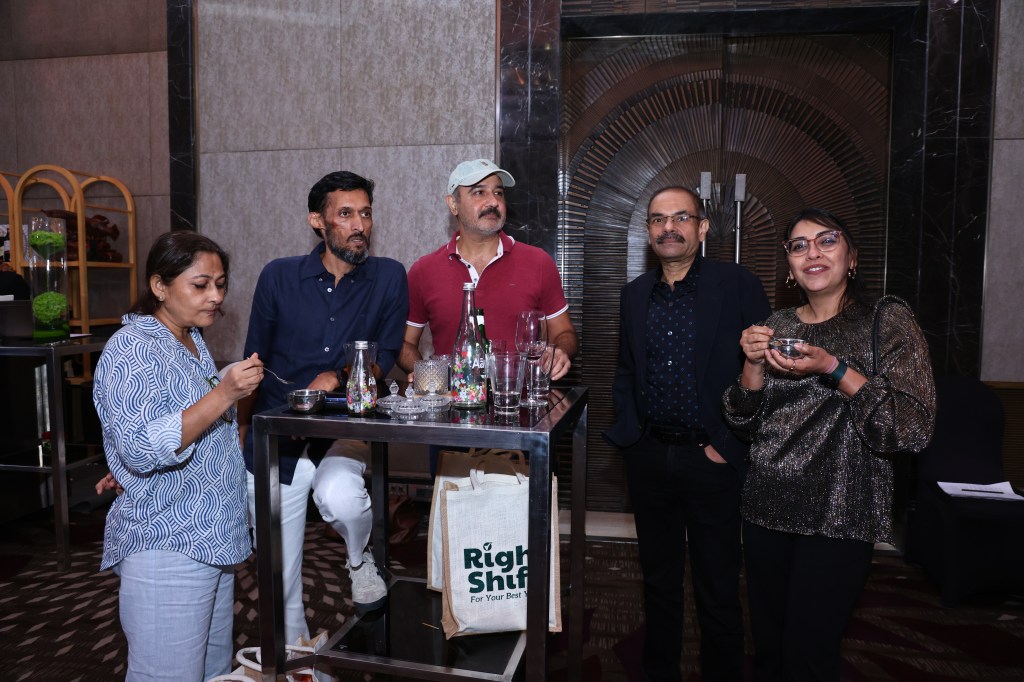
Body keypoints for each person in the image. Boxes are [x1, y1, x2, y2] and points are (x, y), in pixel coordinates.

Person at [722, 207, 936, 681]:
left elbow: (912, 428)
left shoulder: (887, 320)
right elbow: (743, 422)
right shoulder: (777, 323)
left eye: (827, 240)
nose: (812, 253)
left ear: (852, 257)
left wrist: (834, 369)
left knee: (809, 656)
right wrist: (752, 364)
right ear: (789, 265)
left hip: (840, 514)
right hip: (765, 508)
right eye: (799, 246)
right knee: (770, 652)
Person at [604, 186, 771, 682]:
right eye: (658, 220)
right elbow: (626, 370)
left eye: (680, 218)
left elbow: (764, 370)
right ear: (648, 232)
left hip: (712, 459)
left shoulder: (737, 285)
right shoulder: (634, 294)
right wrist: (631, 439)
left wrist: (729, 446)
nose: (669, 228)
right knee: (657, 582)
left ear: (702, 228)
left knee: (717, 586)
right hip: (650, 458)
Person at [237, 170, 408, 641]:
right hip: (279, 436)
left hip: (343, 427)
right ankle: (300, 663)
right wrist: (242, 430)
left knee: (340, 496)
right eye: (346, 214)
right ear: (318, 220)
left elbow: (385, 359)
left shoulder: (389, 277)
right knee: (278, 575)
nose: (359, 225)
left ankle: (358, 557)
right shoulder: (278, 276)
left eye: (365, 214)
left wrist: (337, 375)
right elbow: (253, 359)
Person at [93, 231, 262, 681]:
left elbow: (169, 419)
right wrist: (224, 393)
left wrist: (222, 385)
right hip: (169, 542)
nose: (216, 296)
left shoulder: (188, 340)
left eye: (220, 284)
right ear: (160, 286)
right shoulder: (132, 348)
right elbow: (139, 447)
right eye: (200, 284)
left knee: (210, 670)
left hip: (211, 536)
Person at [399, 158, 577, 376]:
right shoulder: (424, 271)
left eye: (498, 193)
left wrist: (560, 352)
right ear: (453, 204)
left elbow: (565, 333)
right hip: (452, 397)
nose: (493, 202)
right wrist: (427, 375)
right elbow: (404, 344)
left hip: (520, 396)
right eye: (479, 192)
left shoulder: (538, 262)